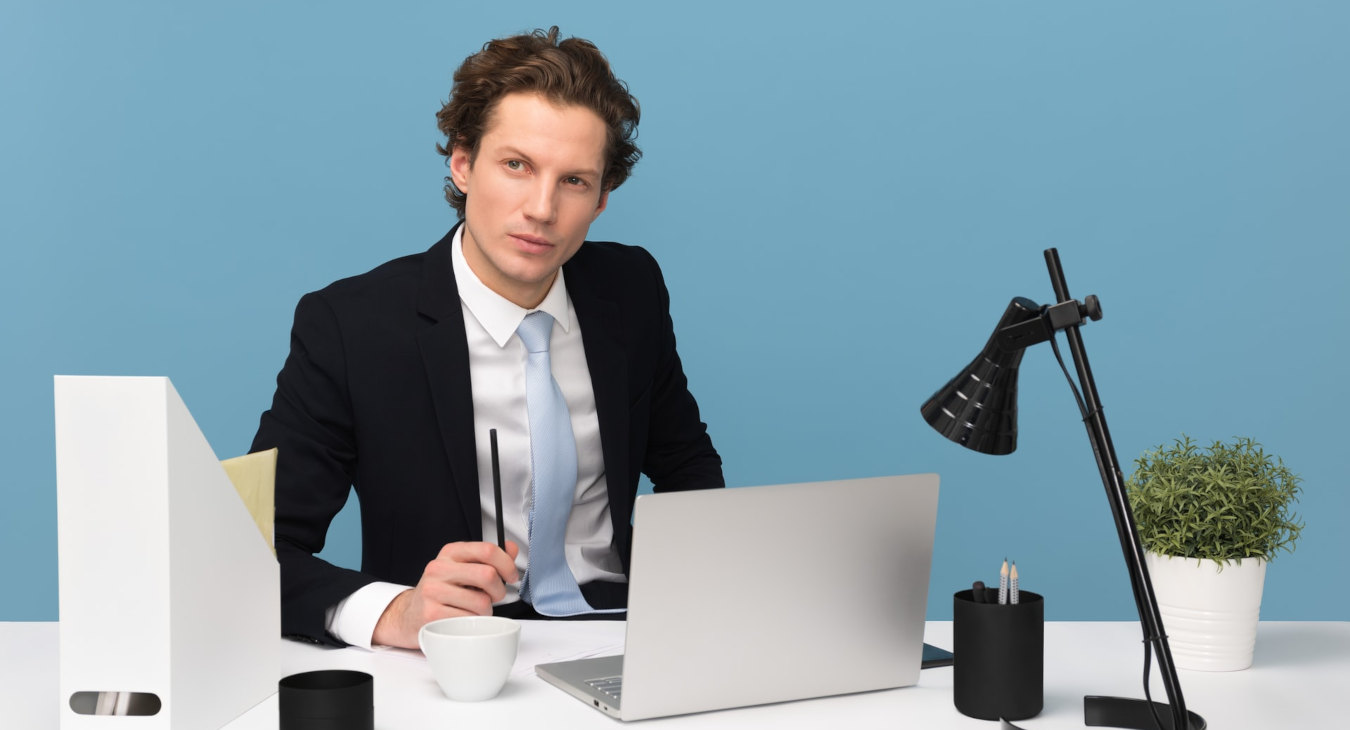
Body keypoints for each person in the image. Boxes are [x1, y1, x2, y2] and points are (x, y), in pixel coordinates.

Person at [250, 26, 724, 649]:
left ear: (603, 199)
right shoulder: (348, 326)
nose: (542, 209)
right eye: (517, 166)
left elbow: (687, 465)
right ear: (463, 163)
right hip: (450, 655)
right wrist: (396, 613)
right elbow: (256, 552)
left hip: (623, 636)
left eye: (575, 181)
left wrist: (697, 599)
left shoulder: (630, 289)